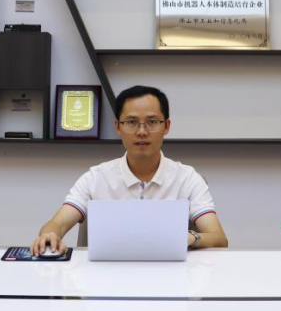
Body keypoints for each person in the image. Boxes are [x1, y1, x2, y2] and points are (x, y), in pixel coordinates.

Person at [30, 85, 228, 256]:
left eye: (152, 122)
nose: (142, 131)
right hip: (103, 279)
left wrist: (190, 238)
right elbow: (57, 224)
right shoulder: (95, 178)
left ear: (166, 126)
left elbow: (219, 238)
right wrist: (49, 235)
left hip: (172, 277)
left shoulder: (187, 178)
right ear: (118, 127)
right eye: (131, 122)